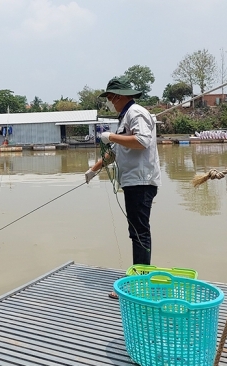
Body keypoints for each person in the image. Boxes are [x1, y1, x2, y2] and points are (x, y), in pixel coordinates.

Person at [84, 76, 161, 299]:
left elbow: (142, 141)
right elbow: (117, 151)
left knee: (139, 232)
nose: (109, 102)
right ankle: (139, 280)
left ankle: (139, 286)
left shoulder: (136, 112)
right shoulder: (126, 116)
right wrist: (94, 168)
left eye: (109, 98)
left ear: (119, 96)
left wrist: (111, 136)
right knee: (136, 232)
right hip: (132, 180)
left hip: (141, 180)